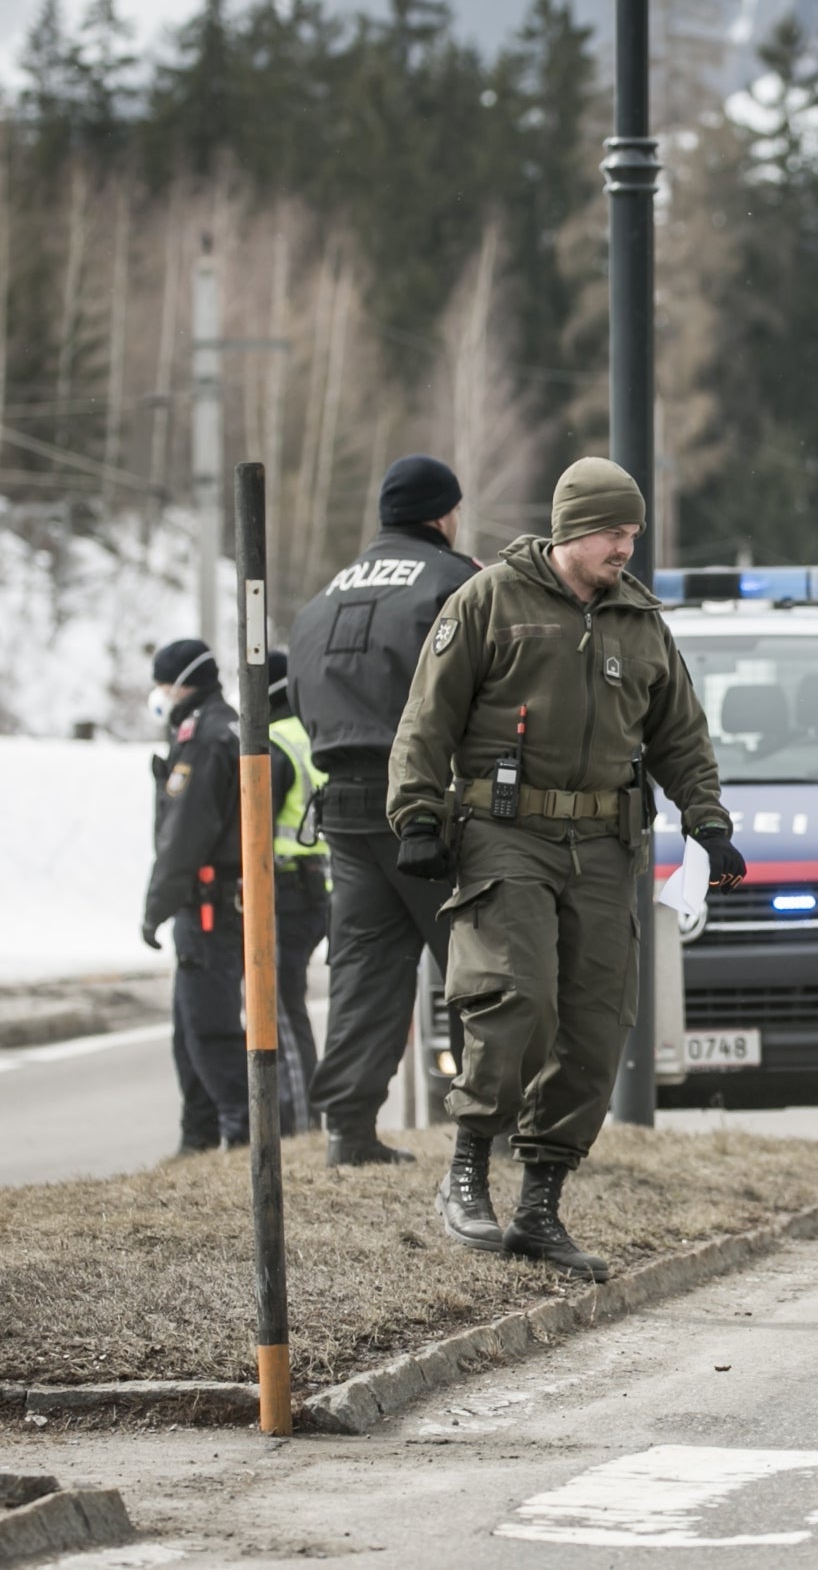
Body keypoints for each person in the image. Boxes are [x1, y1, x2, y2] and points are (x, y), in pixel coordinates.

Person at [389, 457, 744, 1280]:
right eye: (616, 532)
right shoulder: (488, 601)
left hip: (608, 846)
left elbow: (681, 737)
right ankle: (469, 1169)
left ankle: (539, 1206)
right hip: (504, 834)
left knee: (594, 1023)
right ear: (573, 529)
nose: (628, 547)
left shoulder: (641, 622)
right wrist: (415, 813)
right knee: (519, 996)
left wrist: (708, 822)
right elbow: (426, 716)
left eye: (633, 533)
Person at [291, 455, 481, 1166]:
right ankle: (484, 1129)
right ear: (442, 514)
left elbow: (303, 699)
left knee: (365, 966)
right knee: (478, 963)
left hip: (343, 809)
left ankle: (348, 1128)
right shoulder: (455, 582)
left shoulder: (323, 598)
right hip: (430, 806)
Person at [140, 640, 295, 1152]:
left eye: (162, 684)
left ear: (181, 683)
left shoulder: (204, 738)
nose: (159, 695)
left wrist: (154, 909)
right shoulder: (231, 726)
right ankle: (199, 1138)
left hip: (207, 901)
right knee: (190, 1028)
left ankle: (240, 1134)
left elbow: (183, 837)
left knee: (207, 1027)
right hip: (224, 897)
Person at [265, 650, 326, 1131]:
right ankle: (303, 1112)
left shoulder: (272, 744)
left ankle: (301, 1120)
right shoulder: (310, 733)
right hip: (320, 888)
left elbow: (253, 829)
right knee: (291, 1005)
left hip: (285, 891)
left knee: (281, 1008)